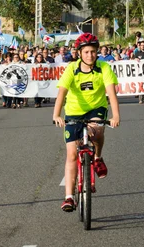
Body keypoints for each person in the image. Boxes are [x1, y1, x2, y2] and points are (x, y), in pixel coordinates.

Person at [52, 33, 121, 212]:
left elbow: (111, 93)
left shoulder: (103, 67)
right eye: (87, 52)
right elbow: (62, 93)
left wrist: (115, 116)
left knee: (97, 130)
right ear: (80, 53)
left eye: (93, 52)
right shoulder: (71, 69)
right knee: (72, 155)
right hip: (74, 111)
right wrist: (57, 114)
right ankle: (68, 197)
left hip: (96, 108)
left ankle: (97, 157)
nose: (90, 55)